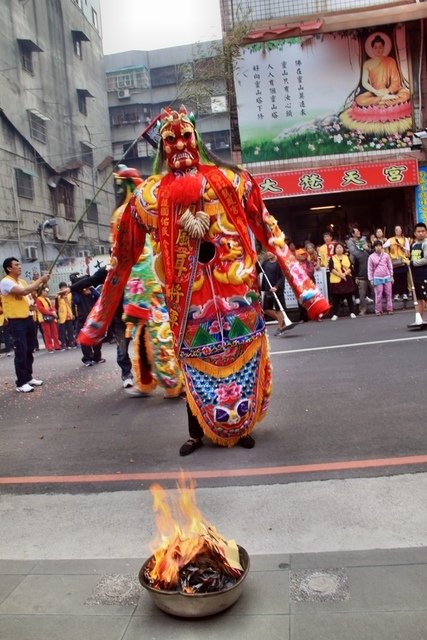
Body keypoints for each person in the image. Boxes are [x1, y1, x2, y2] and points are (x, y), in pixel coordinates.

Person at [79, 105, 329, 455]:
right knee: (193, 366)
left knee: (244, 360)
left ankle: (241, 429)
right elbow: (122, 259)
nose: (179, 145)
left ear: (196, 138)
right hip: (188, 304)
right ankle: (196, 433)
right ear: (162, 147)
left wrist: (306, 289)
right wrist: (98, 319)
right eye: (170, 139)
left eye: (185, 136)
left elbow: (269, 231)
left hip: (237, 295)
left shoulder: (232, 180)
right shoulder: (148, 197)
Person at [0, 257, 49, 392]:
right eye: (16, 265)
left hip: (28, 318)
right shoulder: (5, 282)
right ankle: (21, 382)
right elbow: (23, 292)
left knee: (29, 349)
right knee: (21, 350)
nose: (20, 267)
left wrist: (32, 304)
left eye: (19, 264)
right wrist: (40, 280)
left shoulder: (21, 281)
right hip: (16, 321)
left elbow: (28, 297)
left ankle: (28, 377)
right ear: (9, 268)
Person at [70, 277, 104, 366]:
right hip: (83, 320)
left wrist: (92, 290)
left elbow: (100, 297)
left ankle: (97, 357)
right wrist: (76, 290)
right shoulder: (77, 293)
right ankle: (87, 359)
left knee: (96, 339)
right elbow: (76, 301)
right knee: (84, 340)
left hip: (94, 319)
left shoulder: (91, 290)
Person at [328, 242, 356, 320]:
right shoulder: (332, 258)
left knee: (349, 297)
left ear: (343, 249)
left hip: (347, 280)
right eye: (337, 248)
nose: (339, 249)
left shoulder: (346, 257)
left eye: (340, 247)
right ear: (335, 249)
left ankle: (352, 312)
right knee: (335, 298)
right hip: (336, 281)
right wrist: (341, 275)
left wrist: (345, 274)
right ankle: (335, 314)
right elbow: (331, 269)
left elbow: (350, 267)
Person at [260, 252, 286, 334]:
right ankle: (282, 321)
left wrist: (276, 287)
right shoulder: (265, 263)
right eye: (267, 251)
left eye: (270, 251)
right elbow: (257, 269)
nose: (268, 253)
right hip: (268, 290)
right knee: (266, 309)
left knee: (278, 309)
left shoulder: (279, 263)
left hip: (277, 290)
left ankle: (280, 327)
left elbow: (282, 277)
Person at [383, 225, 410, 301]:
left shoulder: (405, 240)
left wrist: (401, 246)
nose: (398, 231)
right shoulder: (390, 240)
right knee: (396, 278)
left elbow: (408, 250)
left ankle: (405, 293)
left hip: (403, 260)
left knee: (404, 278)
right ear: (395, 231)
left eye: (399, 230)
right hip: (394, 262)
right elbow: (383, 246)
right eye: (397, 230)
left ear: (401, 231)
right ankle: (397, 294)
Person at [368, 240, 394, 315]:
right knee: (378, 295)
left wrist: (391, 276)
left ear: (382, 246)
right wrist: (371, 280)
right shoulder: (371, 257)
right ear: (374, 247)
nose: (378, 247)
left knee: (389, 294)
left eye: (379, 246)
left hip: (387, 276)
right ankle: (378, 310)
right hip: (377, 278)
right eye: (376, 246)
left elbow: (390, 266)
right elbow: (370, 269)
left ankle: (390, 309)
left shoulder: (386, 255)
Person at [35, 286, 62, 352]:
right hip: (44, 318)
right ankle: (49, 346)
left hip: (51, 317)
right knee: (47, 333)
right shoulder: (38, 299)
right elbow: (42, 309)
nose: (46, 292)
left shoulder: (47, 298)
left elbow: (51, 306)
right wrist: (52, 313)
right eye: (44, 291)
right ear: (41, 291)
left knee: (55, 332)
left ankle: (56, 345)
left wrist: (53, 311)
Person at [409, 222, 427, 321]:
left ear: (426, 232)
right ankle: (420, 320)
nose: (420, 233)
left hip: (425, 275)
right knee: (418, 298)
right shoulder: (414, 245)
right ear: (415, 233)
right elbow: (412, 258)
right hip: (415, 276)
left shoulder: (426, 243)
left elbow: (426, 259)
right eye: (418, 231)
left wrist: (412, 263)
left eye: (423, 231)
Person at [353, 240, 373, 315]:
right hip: (361, 277)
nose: (363, 245)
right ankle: (362, 310)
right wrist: (356, 277)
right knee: (362, 295)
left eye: (365, 243)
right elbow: (355, 267)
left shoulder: (370, 252)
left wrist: (368, 249)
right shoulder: (357, 255)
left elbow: (375, 252)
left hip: (372, 276)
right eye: (362, 244)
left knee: (376, 292)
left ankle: (378, 308)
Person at [56, 282, 76, 349]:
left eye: (65, 287)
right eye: (62, 288)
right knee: (62, 331)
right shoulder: (58, 297)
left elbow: (70, 305)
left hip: (68, 315)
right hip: (62, 316)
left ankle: (71, 342)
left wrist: (72, 314)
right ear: (60, 289)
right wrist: (57, 317)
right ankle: (64, 343)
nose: (63, 289)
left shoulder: (68, 295)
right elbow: (56, 306)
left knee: (70, 330)